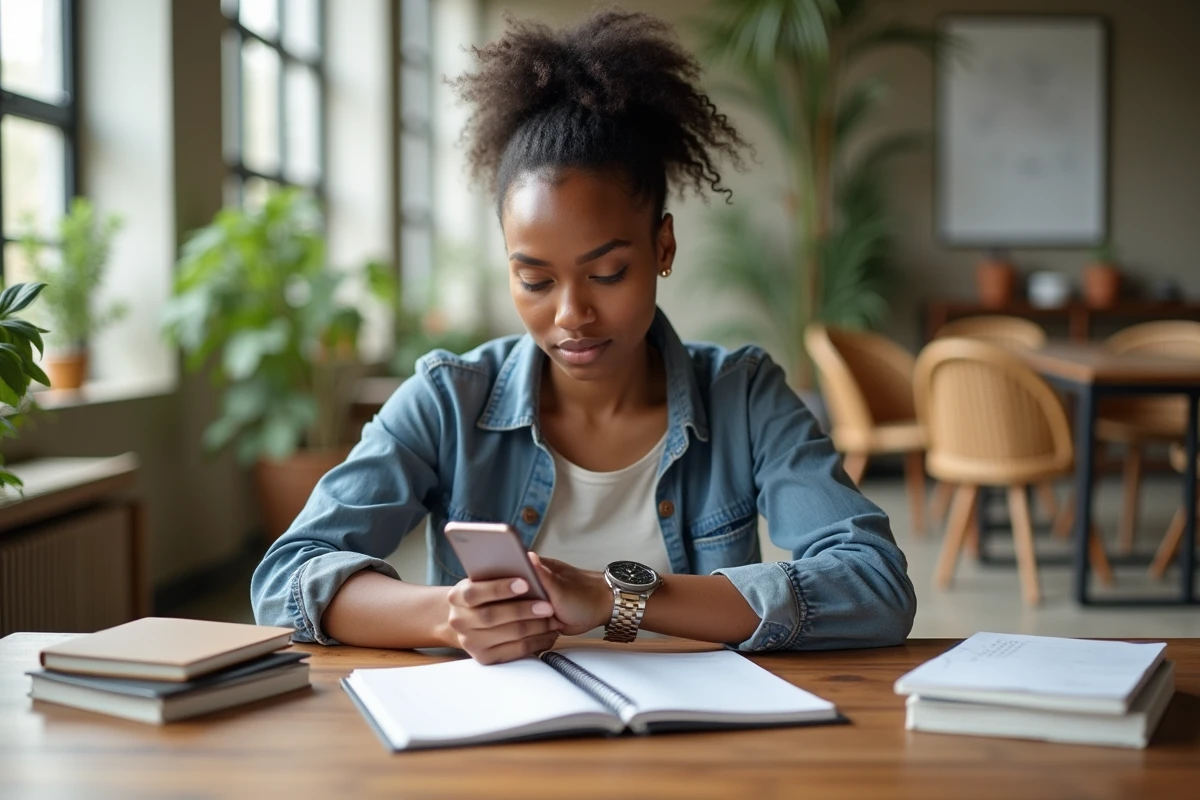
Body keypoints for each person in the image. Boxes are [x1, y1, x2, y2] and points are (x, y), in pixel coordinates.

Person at [251, 10, 916, 665]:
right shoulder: (448, 400)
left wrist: (613, 598)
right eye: (535, 281)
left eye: (606, 272)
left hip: (699, 742)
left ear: (663, 245)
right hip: (504, 742)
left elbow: (875, 585)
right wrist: (449, 617)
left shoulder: (743, 397)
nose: (572, 314)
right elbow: (285, 580)